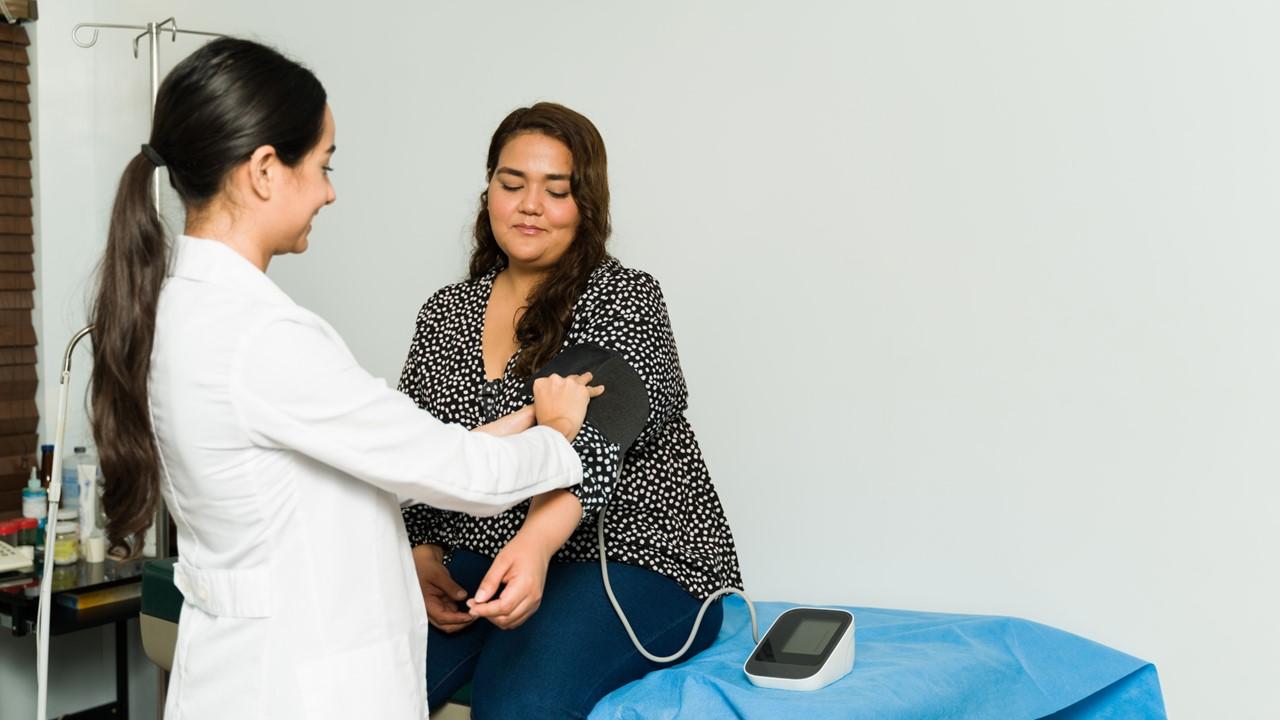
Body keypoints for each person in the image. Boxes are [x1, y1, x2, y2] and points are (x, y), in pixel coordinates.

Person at [87, 40, 601, 720]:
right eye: (323, 165)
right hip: (301, 682)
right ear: (265, 170)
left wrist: (520, 424)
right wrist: (558, 436)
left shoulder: (177, 307)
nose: (329, 191)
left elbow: (378, 446)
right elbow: (458, 475)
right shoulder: (264, 336)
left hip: (235, 672)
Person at [399, 102, 744, 718]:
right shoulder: (444, 313)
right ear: (489, 195)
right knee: (366, 680)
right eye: (512, 185)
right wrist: (422, 555)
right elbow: (415, 447)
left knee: (518, 699)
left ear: (585, 206)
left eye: (556, 191)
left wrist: (535, 543)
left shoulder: (624, 296)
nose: (530, 205)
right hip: (485, 556)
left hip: (634, 554)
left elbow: (599, 438)